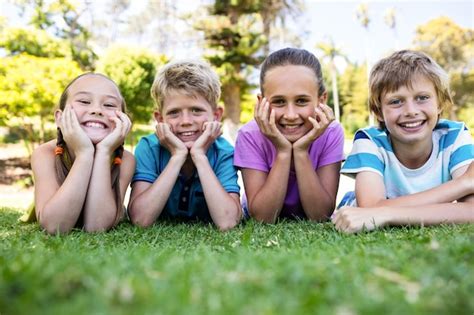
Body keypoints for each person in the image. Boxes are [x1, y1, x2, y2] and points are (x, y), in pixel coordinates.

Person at [332, 50, 474, 233]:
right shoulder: (370, 141)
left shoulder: (454, 136)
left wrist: (386, 214)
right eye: (396, 101)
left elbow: (471, 210)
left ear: (439, 103)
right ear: (378, 111)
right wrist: (462, 184)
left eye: (422, 98)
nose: (411, 111)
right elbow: (370, 209)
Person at [233, 48, 345, 223]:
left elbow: (320, 215)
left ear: (321, 101)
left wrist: (301, 151)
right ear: (261, 102)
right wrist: (283, 152)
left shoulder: (331, 132)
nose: (291, 115)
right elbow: (263, 218)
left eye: (301, 101)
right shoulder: (249, 135)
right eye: (279, 102)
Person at [128, 60, 241, 231]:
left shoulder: (224, 152)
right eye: (174, 113)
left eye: (196, 110)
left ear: (216, 115)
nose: (186, 122)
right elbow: (140, 220)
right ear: (160, 119)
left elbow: (228, 222)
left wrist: (199, 156)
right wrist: (178, 156)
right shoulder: (148, 148)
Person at [30, 73, 135, 234]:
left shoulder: (126, 160)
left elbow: (97, 226)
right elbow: (54, 226)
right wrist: (84, 153)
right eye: (84, 101)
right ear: (60, 117)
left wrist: (104, 152)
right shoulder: (45, 154)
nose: (96, 110)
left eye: (109, 105)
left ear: (124, 120)